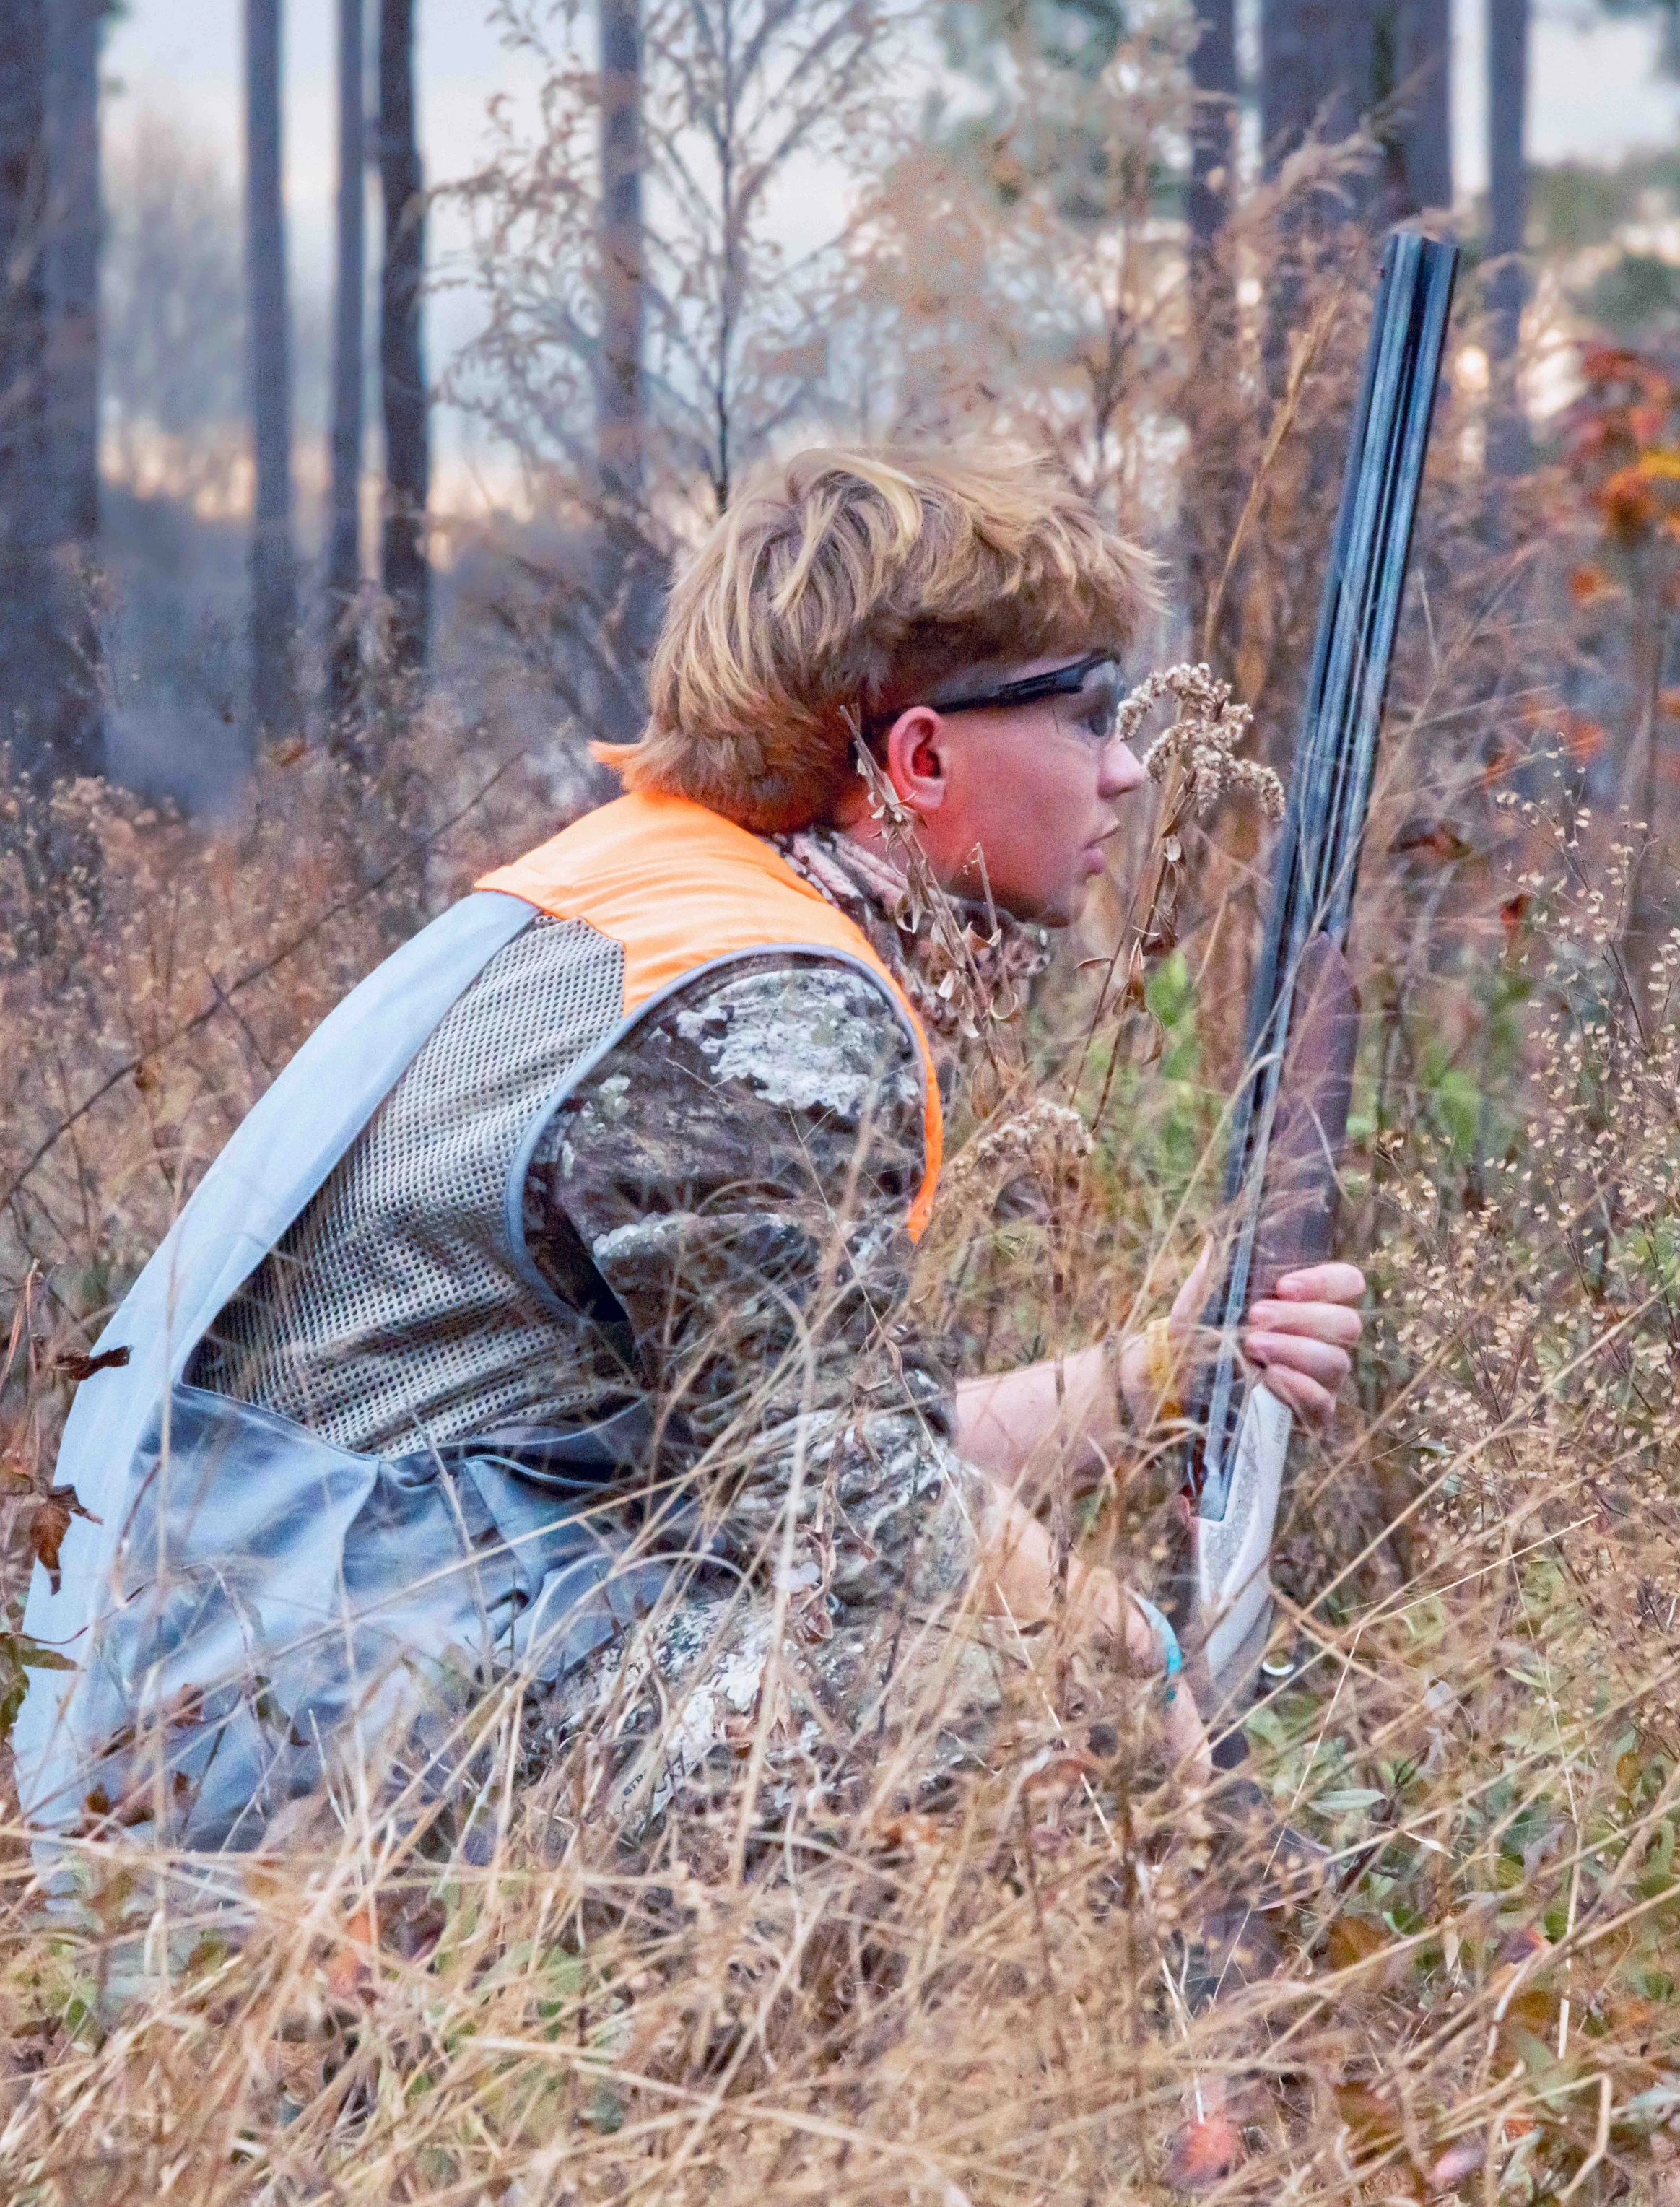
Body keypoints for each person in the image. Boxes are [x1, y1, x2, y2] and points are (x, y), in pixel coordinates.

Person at [15, 448, 1363, 1855]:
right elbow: (858, 1511)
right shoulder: (762, 995)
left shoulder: (667, 901)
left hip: (261, 1674)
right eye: (1086, 711)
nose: (1127, 767)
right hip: (284, 1730)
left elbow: (809, 1436)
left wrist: (1160, 1374)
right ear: (918, 758)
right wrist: (1134, 1665)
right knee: (985, 1713)